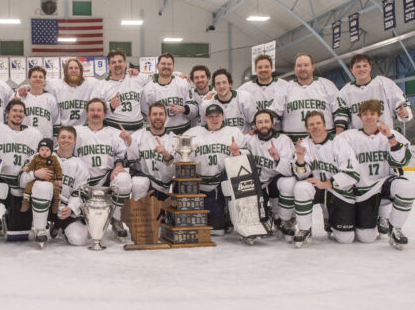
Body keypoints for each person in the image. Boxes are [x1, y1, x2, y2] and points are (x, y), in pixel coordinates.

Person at [338, 100, 415, 249]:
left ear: (379, 115)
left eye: (372, 113)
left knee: (407, 187)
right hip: (363, 190)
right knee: (366, 237)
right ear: (360, 116)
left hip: (384, 183)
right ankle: (373, 219)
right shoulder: (348, 137)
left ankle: (396, 228)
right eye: (365, 114)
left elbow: (403, 160)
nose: (369, 117)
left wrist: (391, 139)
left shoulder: (391, 134)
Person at [292, 110, 360, 248]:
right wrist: (300, 160)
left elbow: (353, 173)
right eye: (311, 124)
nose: (315, 127)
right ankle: (305, 229)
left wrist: (327, 183)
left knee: (345, 238)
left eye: (318, 123)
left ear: (324, 125)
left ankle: (330, 217)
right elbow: (301, 176)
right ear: (307, 128)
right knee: (301, 187)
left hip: (337, 189)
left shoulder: (339, 142)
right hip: (317, 187)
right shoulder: (304, 144)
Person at [0, 99, 48, 243]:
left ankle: (11, 218)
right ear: (7, 113)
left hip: (21, 184)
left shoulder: (34, 133)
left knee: (17, 233)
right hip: (0, 181)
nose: (18, 114)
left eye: (21, 111)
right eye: (14, 110)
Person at [74, 98, 132, 238]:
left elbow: (121, 153)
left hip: (106, 178)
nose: (95, 113)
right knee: (84, 235)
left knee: (124, 178)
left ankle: (116, 219)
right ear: (87, 113)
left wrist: (118, 166)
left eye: (99, 110)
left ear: (104, 113)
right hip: (82, 181)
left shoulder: (114, 132)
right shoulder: (76, 131)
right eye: (92, 110)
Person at [186, 103, 247, 235]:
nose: (214, 119)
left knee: (217, 229)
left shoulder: (234, 132)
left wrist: (237, 153)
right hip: (198, 181)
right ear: (205, 118)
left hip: (222, 180)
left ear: (223, 117)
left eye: (217, 116)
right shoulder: (193, 132)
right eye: (210, 116)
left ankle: (231, 216)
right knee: (201, 224)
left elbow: (247, 155)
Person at [242, 109, 297, 237]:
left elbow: (290, 169)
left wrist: (277, 158)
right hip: (257, 182)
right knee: (259, 221)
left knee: (288, 183)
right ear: (255, 125)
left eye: (266, 121)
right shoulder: (249, 139)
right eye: (260, 122)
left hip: (275, 179)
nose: (263, 125)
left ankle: (284, 219)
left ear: (272, 124)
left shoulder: (283, 140)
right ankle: (266, 216)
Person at [40, 126, 90, 246]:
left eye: (69, 137)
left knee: (79, 239)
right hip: (44, 205)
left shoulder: (80, 165)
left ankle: (59, 226)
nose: (66, 140)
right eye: (63, 137)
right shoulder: (44, 156)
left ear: (74, 141)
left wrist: (71, 208)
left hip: (63, 208)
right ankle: (39, 227)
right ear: (57, 139)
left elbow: (80, 191)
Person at [336, 54, 412, 131]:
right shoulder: (344, 92)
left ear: (370, 67)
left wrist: (405, 113)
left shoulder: (384, 83)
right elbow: (340, 117)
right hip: (358, 136)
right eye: (358, 67)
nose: (362, 69)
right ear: (352, 70)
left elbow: (401, 104)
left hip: (383, 134)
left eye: (365, 66)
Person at [280, 53, 346, 141]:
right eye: (299, 66)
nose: (303, 68)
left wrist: (338, 137)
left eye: (306, 65)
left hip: (325, 142)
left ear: (312, 67)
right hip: (293, 143)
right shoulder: (285, 88)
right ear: (295, 68)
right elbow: (276, 115)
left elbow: (340, 111)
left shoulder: (326, 84)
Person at [125, 101, 177, 200]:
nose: (158, 117)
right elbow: (130, 163)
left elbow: (173, 172)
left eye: (161, 114)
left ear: (166, 117)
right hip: (144, 185)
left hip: (164, 188)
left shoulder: (174, 139)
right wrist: (129, 143)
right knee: (139, 182)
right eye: (154, 114)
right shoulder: (137, 136)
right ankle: (138, 209)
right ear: (148, 117)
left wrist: (167, 156)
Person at [141, 52, 198, 134]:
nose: (166, 66)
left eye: (169, 64)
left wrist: (184, 109)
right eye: (163, 64)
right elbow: (146, 114)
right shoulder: (148, 89)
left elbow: (195, 109)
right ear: (157, 66)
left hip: (183, 132)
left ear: (173, 66)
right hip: (160, 133)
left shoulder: (183, 84)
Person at [95, 48, 149, 131]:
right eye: (113, 62)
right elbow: (94, 109)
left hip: (138, 131)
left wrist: (137, 72)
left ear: (125, 64)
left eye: (120, 61)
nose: (117, 64)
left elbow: (157, 81)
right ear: (108, 66)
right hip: (114, 131)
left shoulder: (137, 78)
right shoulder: (101, 85)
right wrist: (110, 106)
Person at [200, 68, 257, 133]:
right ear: (214, 87)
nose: (221, 86)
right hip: (219, 139)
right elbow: (205, 129)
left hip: (242, 138)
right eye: (218, 83)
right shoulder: (207, 104)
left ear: (230, 84)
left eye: (224, 82)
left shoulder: (244, 98)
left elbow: (255, 124)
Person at [237, 54, 287, 122]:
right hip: (254, 128)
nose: (263, 70)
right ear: (255, 70)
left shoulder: (284, 85)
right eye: (260, 67)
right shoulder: (245, 88)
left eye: (266, 67)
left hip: (278, 128)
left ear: (272, 68)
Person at [21, 138, 62, 214]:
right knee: (29, 185)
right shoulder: (36, 158)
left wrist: (59, 179)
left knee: (56, 189)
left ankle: (55, 202)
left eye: (47, 150)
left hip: (49, 179)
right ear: (38, 150)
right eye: (42, 150)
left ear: (51, 151)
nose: (44, 152)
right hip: (37, 179)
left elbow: (58, 169)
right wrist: (27, 168)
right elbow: (31, 165)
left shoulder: (54, 159)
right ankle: (26, 200)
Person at [19, 66, 60, 139]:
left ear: (44, 80)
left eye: (40, 77)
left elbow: (56, 123)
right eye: (34, 77)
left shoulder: (51, 99)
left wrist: (55, 142)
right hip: (24, 139)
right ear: (29, 79)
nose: (37, 79)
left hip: (45, 141)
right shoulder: (20, 96)